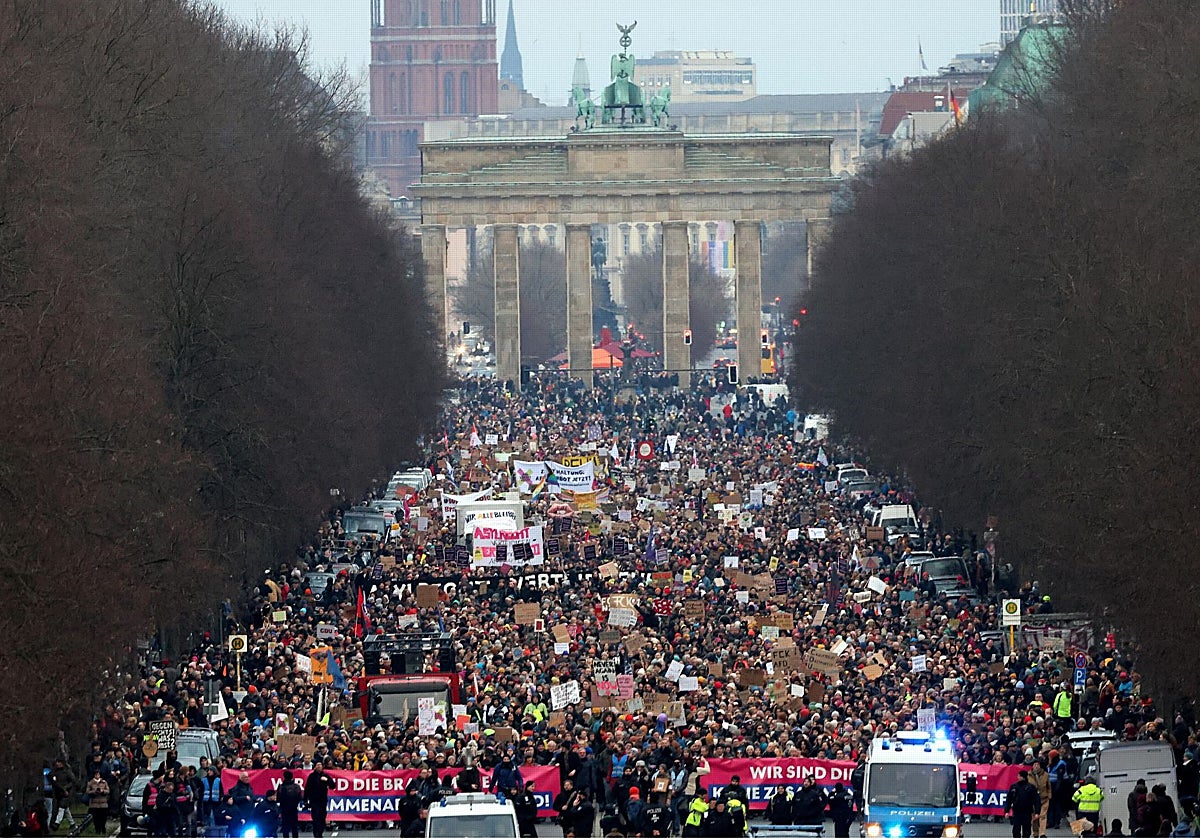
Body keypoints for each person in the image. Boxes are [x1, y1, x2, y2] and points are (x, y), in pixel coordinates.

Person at [1006, 769, 1041, 839]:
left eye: (1019, 776)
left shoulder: (1031, 787)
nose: (1017, 777)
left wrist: (1037, 812)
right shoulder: (1014, 787)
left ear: (1023, 777)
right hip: (1017, 811)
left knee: (1026, 830)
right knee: (1016, 830)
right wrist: (1007, 811)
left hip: (1027, 811)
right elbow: (1009, 799)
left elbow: (1036, 800)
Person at [304, 761, 333, 839]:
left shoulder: (325, 775)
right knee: (315, 817)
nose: (319, 767)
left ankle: (320, 832)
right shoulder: (312, 776)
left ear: (322, 767)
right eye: (317, 765)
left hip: (323, 800)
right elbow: (307, 788)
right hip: (314, 800)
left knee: (322, 817)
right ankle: (316, 833)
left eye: (320, 765)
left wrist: (327, 780)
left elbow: (333, 786)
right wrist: (305, 800)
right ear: (315, 767)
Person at [277, 769, 304, 839]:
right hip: (294, 808)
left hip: (284, 809)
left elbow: (278, 798)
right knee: (294, 826)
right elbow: (300, 797)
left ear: (284, 777)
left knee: (285, 827)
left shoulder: (281, 787)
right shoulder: (296, 787)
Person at [1029, 759, 1052, 838]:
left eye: (1037, 765)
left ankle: (1042, 833)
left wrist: (1049, 795)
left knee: (1043, 816)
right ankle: (1035, 832)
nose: (1036, 766)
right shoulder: (1029, 775)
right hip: (1033, 800)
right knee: (1035, 817)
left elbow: (1049, 786)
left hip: (1044, 798)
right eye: (1034, 765)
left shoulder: (1045, 775)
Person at [85, 770, 110, 836]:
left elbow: (108, 790)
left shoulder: (104, 782)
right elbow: (87, 791)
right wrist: (94, 791)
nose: (97, 776)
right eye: (96, 774)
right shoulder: (90, 783)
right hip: (94, 804)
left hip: (103, 803)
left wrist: (103, 791)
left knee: (103, 817)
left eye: (98, 774)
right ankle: (97, 830)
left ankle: (103, 828)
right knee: (96, 818)